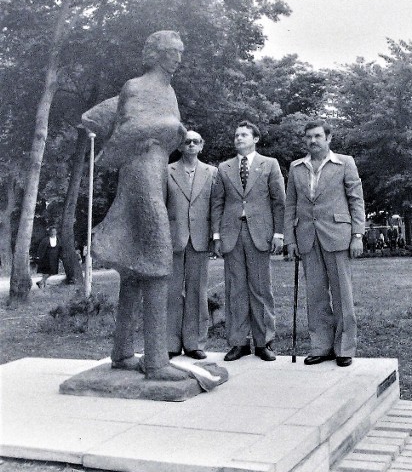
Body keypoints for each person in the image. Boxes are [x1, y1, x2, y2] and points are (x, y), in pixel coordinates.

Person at [82, 30, 188, 381]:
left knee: (134, 264)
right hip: (139, 175)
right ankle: (156, 361)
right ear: (157, 54)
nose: (178, 57)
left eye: (180, 51)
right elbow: (128, 131)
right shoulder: (136, 86)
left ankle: (123, 352)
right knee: (157, 260)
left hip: (155, 171)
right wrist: (171, 125)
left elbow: (162, 138)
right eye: (173, 51)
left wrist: (173, 133)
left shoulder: (169, 91)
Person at [284, 120, 365, 367]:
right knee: (316, 295)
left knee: (343, 294)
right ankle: (321, 347)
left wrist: (358, 235)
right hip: (307, 237)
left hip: (339, 235)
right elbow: (290, 205)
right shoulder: (296, 167)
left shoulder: (345, 163)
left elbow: (356, 200)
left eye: (318, 136)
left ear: (328, 138)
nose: (313, 141)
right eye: (308, 137)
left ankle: (344, 349)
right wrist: (290, 239)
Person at [212, 121, 285, 362]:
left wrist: (279, 233)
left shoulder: (270, 164)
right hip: (232, 234)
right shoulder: (224, 168)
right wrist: (216, 236)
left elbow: (279, 202)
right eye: (236, 134)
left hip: (260, 233)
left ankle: (264, 342)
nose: (239, 138)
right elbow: (218, 203)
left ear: (255, 139)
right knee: (235, 290)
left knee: (261, 289)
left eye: (244, 134)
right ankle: (239, 342)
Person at [166, 130, 218, 360]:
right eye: (186, 142)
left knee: (197, 291)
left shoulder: (212, 172)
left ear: (202, 146)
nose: (191, 145)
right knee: (172, 292)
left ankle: (195, 343)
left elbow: (216, 206)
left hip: (200, 238)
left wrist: (216, 236)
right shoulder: (167, 171)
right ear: (180, 146)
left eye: (195, 141)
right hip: (173, 238)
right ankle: (170, 343)